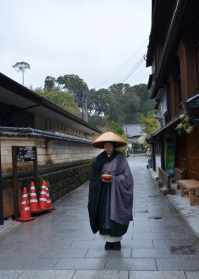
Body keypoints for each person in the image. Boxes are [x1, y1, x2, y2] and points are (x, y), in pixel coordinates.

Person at [88, 131, 134, 250]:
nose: (107, 148)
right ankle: (108, 241)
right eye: (105, 146)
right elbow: (93, 177)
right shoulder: (99, 159)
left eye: (109, 145)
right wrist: (100, 178)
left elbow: (127, 176)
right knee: (104, 216)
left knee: (116, 215)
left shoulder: (120, 158)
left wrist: (114, 179)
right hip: (103, 192)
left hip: (116, 194)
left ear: (114, 146)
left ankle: (116, 242)